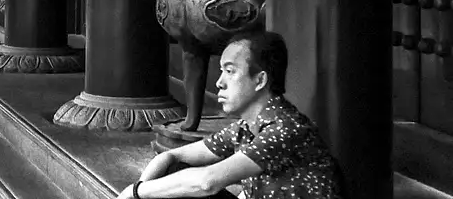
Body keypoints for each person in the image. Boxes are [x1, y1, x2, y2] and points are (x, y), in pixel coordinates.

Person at [119, 31, 347, 199]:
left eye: (230, 71)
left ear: (260, 80)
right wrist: (137, 193)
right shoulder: (244, 128)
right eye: (221, 71)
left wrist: (135, 191)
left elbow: (207, 182)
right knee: (174, 173)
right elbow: (171, 157)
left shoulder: (285, 128)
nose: (219, 82)